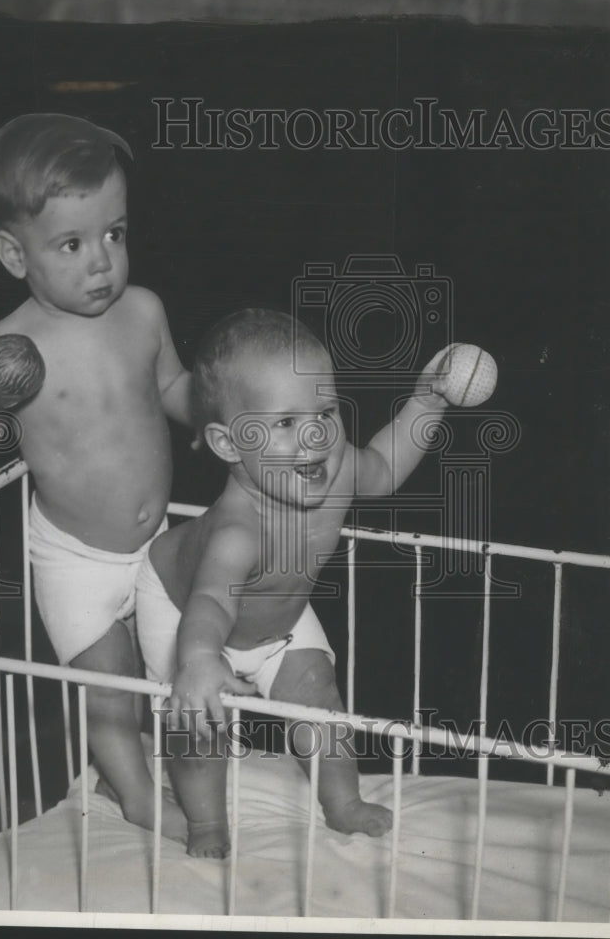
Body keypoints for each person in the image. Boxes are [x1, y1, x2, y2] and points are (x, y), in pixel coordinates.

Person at [137, 308, 460, 858]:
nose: (314, 435)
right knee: (198, 726)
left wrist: (425, 404)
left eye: (326, 411)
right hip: (184, 610)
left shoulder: (335, 468)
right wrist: (197, 659)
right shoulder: (239, 530)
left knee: (320, 699)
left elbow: (383, 464)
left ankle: (343, 803)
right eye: (285, 423)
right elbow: (211, 601)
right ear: (228, 444)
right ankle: (207, 823)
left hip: (276, 619)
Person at [0, 113, 192, 839]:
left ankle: (181, 771)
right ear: (15, 254)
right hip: (73, 557)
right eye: (71, 244)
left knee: (176, 672)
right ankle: (132, 793)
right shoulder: (10, 347)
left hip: (156, 544)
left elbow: (173, 391)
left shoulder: (145, 311)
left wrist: (232, 411)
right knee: (109, 686)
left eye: (114, 233)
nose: (101, 261)